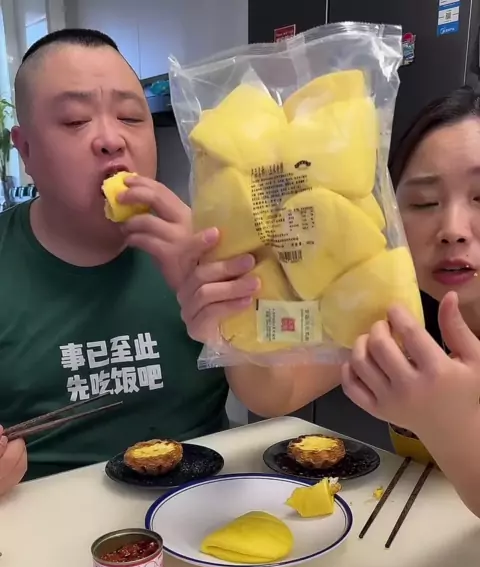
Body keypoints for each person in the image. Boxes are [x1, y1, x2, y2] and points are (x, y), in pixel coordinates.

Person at [0, 27, 339, 493]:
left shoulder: (219, 240)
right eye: (76, 121)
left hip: (199, 506)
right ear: (25, 149)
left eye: (130, 117)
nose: (111, 139)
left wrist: (228, 320)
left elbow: (276, 395)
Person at [341, 86, 480, 518]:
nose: (452, 229)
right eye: (424, 202)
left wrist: (449, 424)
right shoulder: (400, 310)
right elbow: (273, 392)